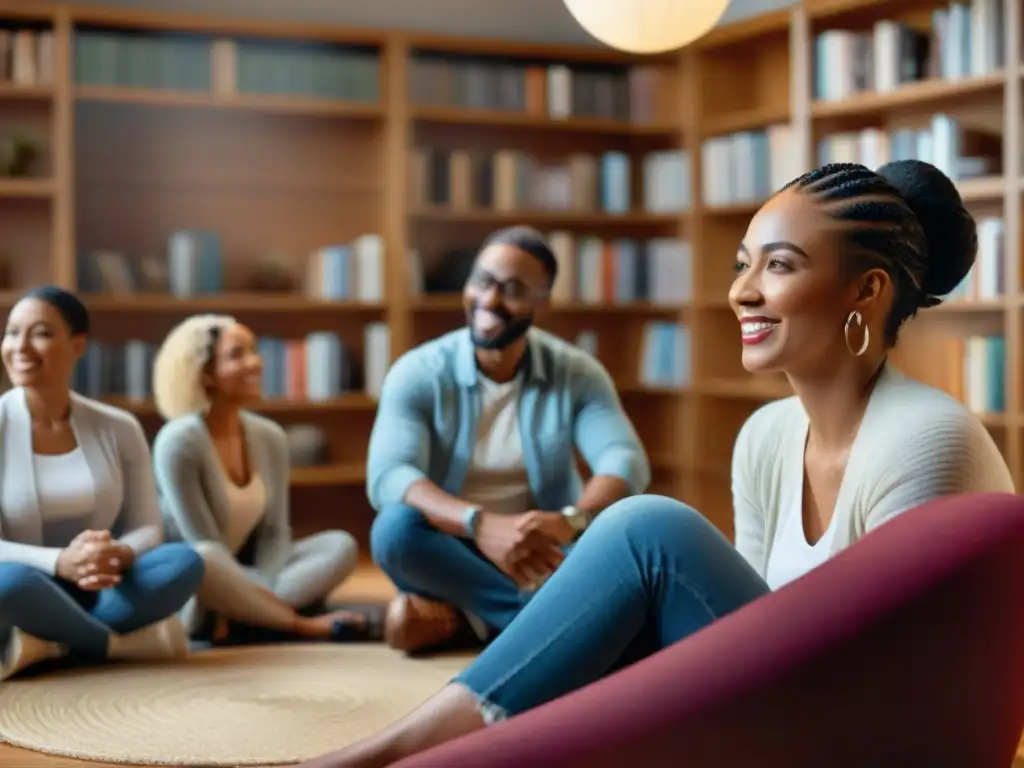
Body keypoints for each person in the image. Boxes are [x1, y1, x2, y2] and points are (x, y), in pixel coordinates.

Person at [298, 159, 1015, 767]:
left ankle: (392, 756)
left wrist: (581, 534)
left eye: (780, 265)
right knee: (589, 616)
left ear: (868, 292)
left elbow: (897, 673)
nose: (742, 291)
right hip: (792, 702)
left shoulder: (926, 439)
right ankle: (414, 748)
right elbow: (740, 630)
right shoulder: (766, 435)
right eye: (744, 265)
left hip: (880, 740)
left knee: (647, 533)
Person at [366, 225, 650, 653]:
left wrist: (573, 519)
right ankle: (552, 625)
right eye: (482, 281)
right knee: (394, 531)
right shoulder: (418, 371)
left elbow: (624, 459)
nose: (490, 300)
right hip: (452, 549)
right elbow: (389, 475)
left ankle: (471, 620)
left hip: (543, 551)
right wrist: (479, 524)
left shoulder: (576, 372)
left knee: (625, 550)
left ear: (542, 303)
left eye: (513, 289)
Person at [0, 286, 205, 681]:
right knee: (6, 584)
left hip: (100, 587)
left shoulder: (118, 427)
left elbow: (148, 526)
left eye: (40, 333)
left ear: (78, 345)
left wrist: (116, 553)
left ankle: (54, 643)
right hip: (23, 587)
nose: (20, 346)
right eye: (12, 332)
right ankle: (112, 646)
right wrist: (61, 562)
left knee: (185, 561)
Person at [151, 314, 374, 644]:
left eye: (254, 351)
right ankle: (301, 624)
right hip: (200, 578)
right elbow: (202, 542)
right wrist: (251, 587)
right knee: (205, 556)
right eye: (237, 355)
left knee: (341, 546)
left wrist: (260, 588)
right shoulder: (178, 442)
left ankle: (246, 616)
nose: (255, 363)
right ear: (206, 373)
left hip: (251, 574)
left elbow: (275, 532)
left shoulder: (270, 437)